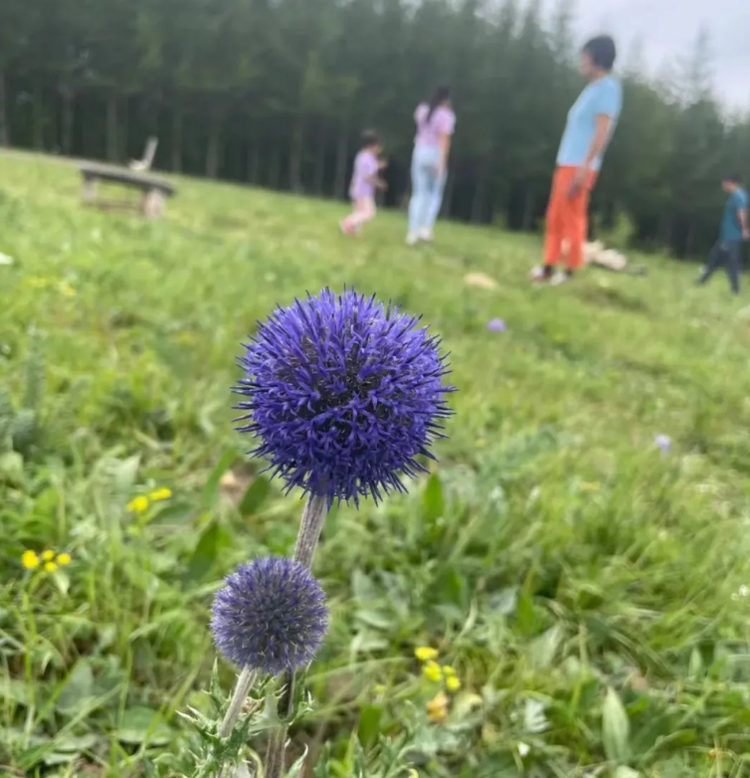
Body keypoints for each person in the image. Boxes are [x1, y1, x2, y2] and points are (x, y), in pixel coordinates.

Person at [532, 35, 622, 285]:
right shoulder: (592, 88)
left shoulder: (608, 88)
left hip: (580, 165)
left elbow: (602, 131)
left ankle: (569, 270)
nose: (581, 62)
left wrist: (585, 166)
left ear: (597, 58)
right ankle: (549, 266)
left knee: (572, 217)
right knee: (555, 216)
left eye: (585, 57)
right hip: (567, 161)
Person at [406, 85, 456, 246]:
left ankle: (412, 231)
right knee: (434, 193)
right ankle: (425, 228)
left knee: (419, 193)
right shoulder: (446, 115)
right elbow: (444, 139)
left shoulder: (422, 110)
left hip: (419, 151)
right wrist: (442, 161)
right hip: (435, 153)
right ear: (446, 99)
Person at [697, 175, 749, 295]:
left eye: (724, 183)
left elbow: (741, 213)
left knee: (731, 263)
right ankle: (701, 281)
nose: (723, 186)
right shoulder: (734, 196)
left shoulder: (739, 196)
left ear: (731, 183)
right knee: (714, 258)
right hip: (726, 236)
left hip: (732, 236)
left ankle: (736, 290)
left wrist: (744, 230)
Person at [340, 131, 387, 237]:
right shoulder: (369, 158)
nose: (379, 151)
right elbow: (368, 175)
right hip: (364, 191)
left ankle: (354, 233)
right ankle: (348, 222)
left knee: (359, 212)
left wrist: (378, 166)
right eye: (379, 147)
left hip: (356, 188)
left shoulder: (361, 156)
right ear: (373, 146)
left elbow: (368, 168)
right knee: (369, 213)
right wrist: (378, 183)